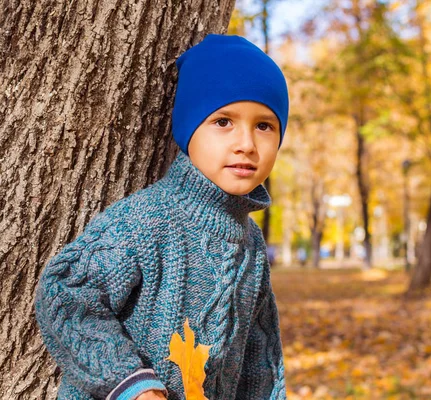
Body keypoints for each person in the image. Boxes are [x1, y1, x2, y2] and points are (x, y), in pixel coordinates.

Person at [34, 34, 289, 400]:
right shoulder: (147, 218)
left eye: (265, 126)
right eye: (223, 122)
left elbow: (258, 360)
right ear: (189, 130)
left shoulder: (249, 244)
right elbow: (65, 294)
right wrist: (133, 385)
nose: (246, 143)